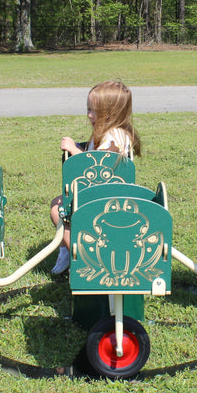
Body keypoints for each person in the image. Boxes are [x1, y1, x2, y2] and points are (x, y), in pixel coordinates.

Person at [49, 80, 142, 275]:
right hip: (100, 194)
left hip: (105, 199)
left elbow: (99, 167)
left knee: (59, 211)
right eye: (88, 109)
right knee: (57, 204)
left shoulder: (115, 136)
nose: (90, 115)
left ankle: (81, 257)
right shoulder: (108, 132)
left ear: (113, 113)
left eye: (95, 112)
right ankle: (68, 250)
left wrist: (74, 150)